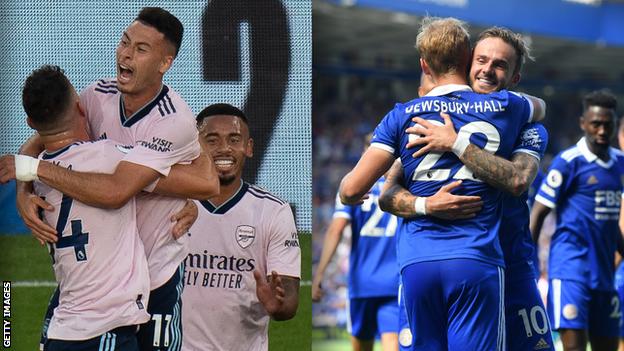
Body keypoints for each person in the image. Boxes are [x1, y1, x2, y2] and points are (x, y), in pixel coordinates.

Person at [0, 7, 219, 351]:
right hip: (101, 279)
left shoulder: (172, 120)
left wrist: (30, 171)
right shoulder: (98, 95)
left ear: (165, 63)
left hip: (156, 275)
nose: (126, 54)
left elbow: (125, 189)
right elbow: (47, 131)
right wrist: (23, 191)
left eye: (141, 49)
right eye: (124, 42)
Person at [339, 17, 544, 350]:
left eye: (499, 65)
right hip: (477, 260)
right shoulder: (511, 107)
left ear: (424, 64)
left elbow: (350, 190)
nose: (488, 70)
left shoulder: (405, 115)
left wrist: (454, 143)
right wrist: (427, 204)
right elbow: (540, 106)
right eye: (482, 60)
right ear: (467, 60)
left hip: (425, 261)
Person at [22, 65, 150, 350]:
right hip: (104, 330)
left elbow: (30, 156)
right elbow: (196, 182)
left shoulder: (36, 177)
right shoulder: (111, 157)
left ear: (31, 123)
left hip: (62, 330)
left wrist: (23, 183)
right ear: (81, 107)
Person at [180, 103, 300, 351]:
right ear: (195, 146)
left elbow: (288, 297)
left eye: (234, 139)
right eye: (211, 140)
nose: (224, 148)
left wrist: (280, 304)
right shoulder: (171, 204)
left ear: (249, 148)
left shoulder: (274, 211)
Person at [531, 91, 622, 351]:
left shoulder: (619, 164)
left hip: (605, 276)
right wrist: (528, 263)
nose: (602, 130)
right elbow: (538, 213)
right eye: (596, 124)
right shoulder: (568, 162)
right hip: (570, 272)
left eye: (608, 124)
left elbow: (609, 220)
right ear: (583, 123)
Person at [312, 133, 400, 351]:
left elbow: (336, 230)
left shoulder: (354, 186)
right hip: (394, 282)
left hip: (362, 284)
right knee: (393, 346)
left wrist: (319, 274)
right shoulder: (403, 185)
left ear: (366, 153)